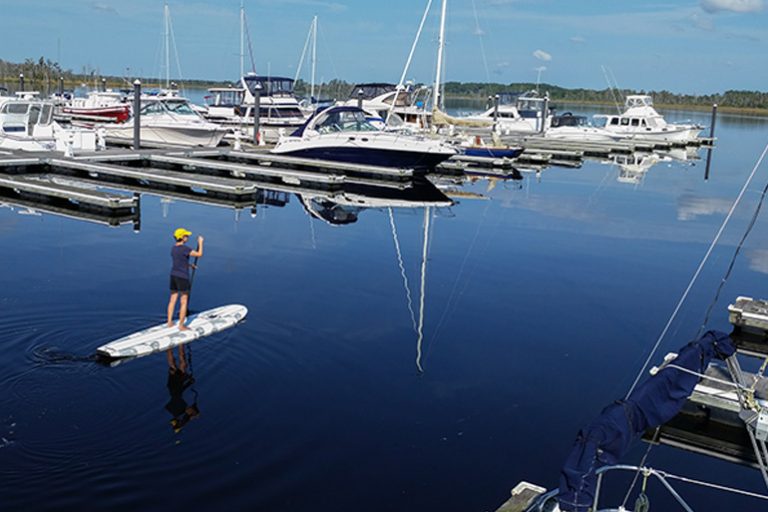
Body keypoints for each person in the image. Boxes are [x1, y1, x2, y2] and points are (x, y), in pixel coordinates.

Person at [167, 228, 203, 331]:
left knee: (172, 299)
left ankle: (169, 322)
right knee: (184, 301)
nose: (187, 237)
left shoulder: (173, 248)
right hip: (182, 277)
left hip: (173, 275)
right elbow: (199, 254)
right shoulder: (185, 249)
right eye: (186, 236)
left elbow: (180, 261)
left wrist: (189, 265)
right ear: (182, 237)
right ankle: (181, 325)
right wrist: (200, 243)